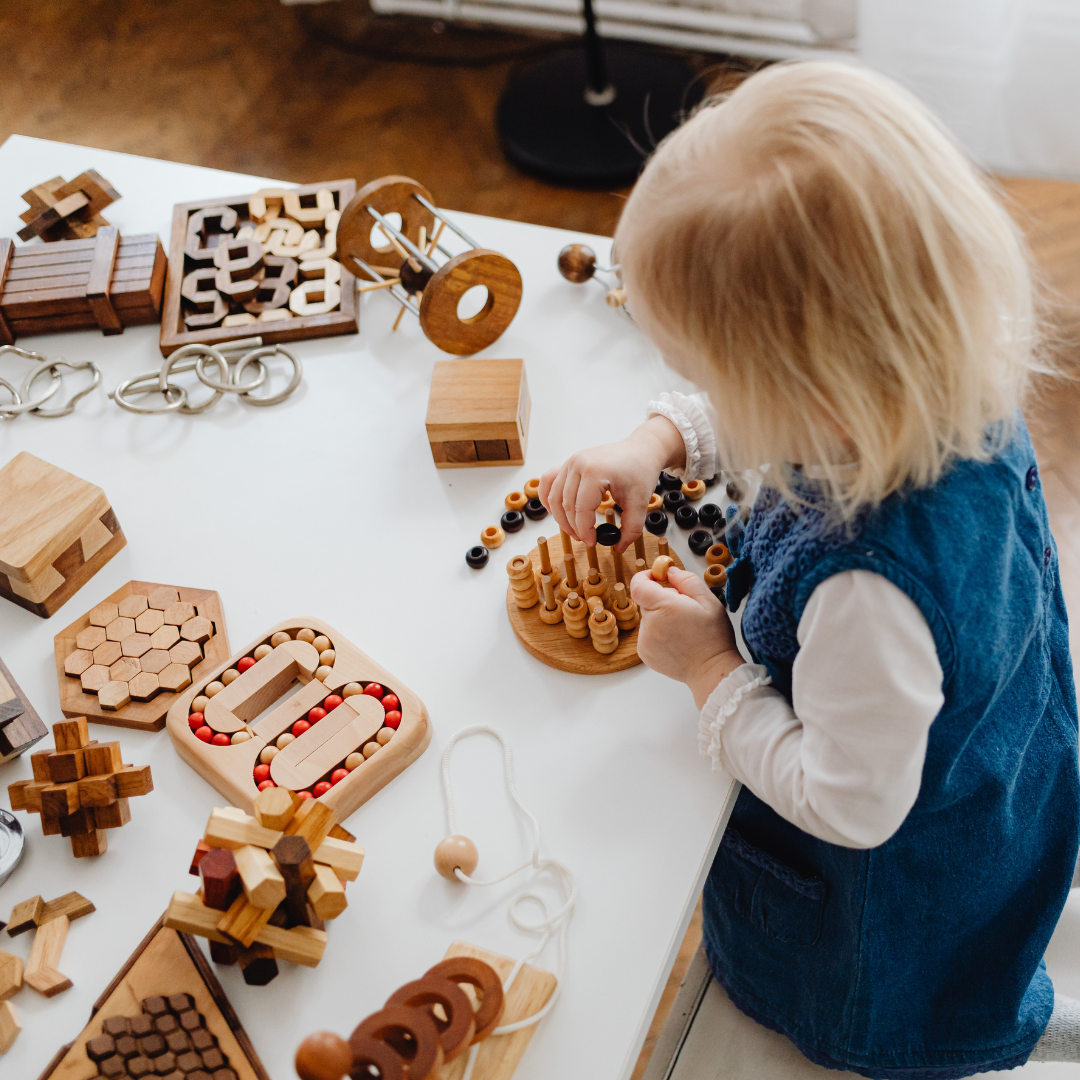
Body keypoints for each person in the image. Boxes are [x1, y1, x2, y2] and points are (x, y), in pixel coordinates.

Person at [540, 61, 1080, 1076]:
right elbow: (784, 418)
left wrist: (709, 669)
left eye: (709, 378)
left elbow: (851, 803)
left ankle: (888, 1034)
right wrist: (662, 438)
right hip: (993, 758)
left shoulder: (869, 597)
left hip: (886, 887)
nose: (701, 394)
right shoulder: (942, 368)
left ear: (807, 392)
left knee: (878, 988)